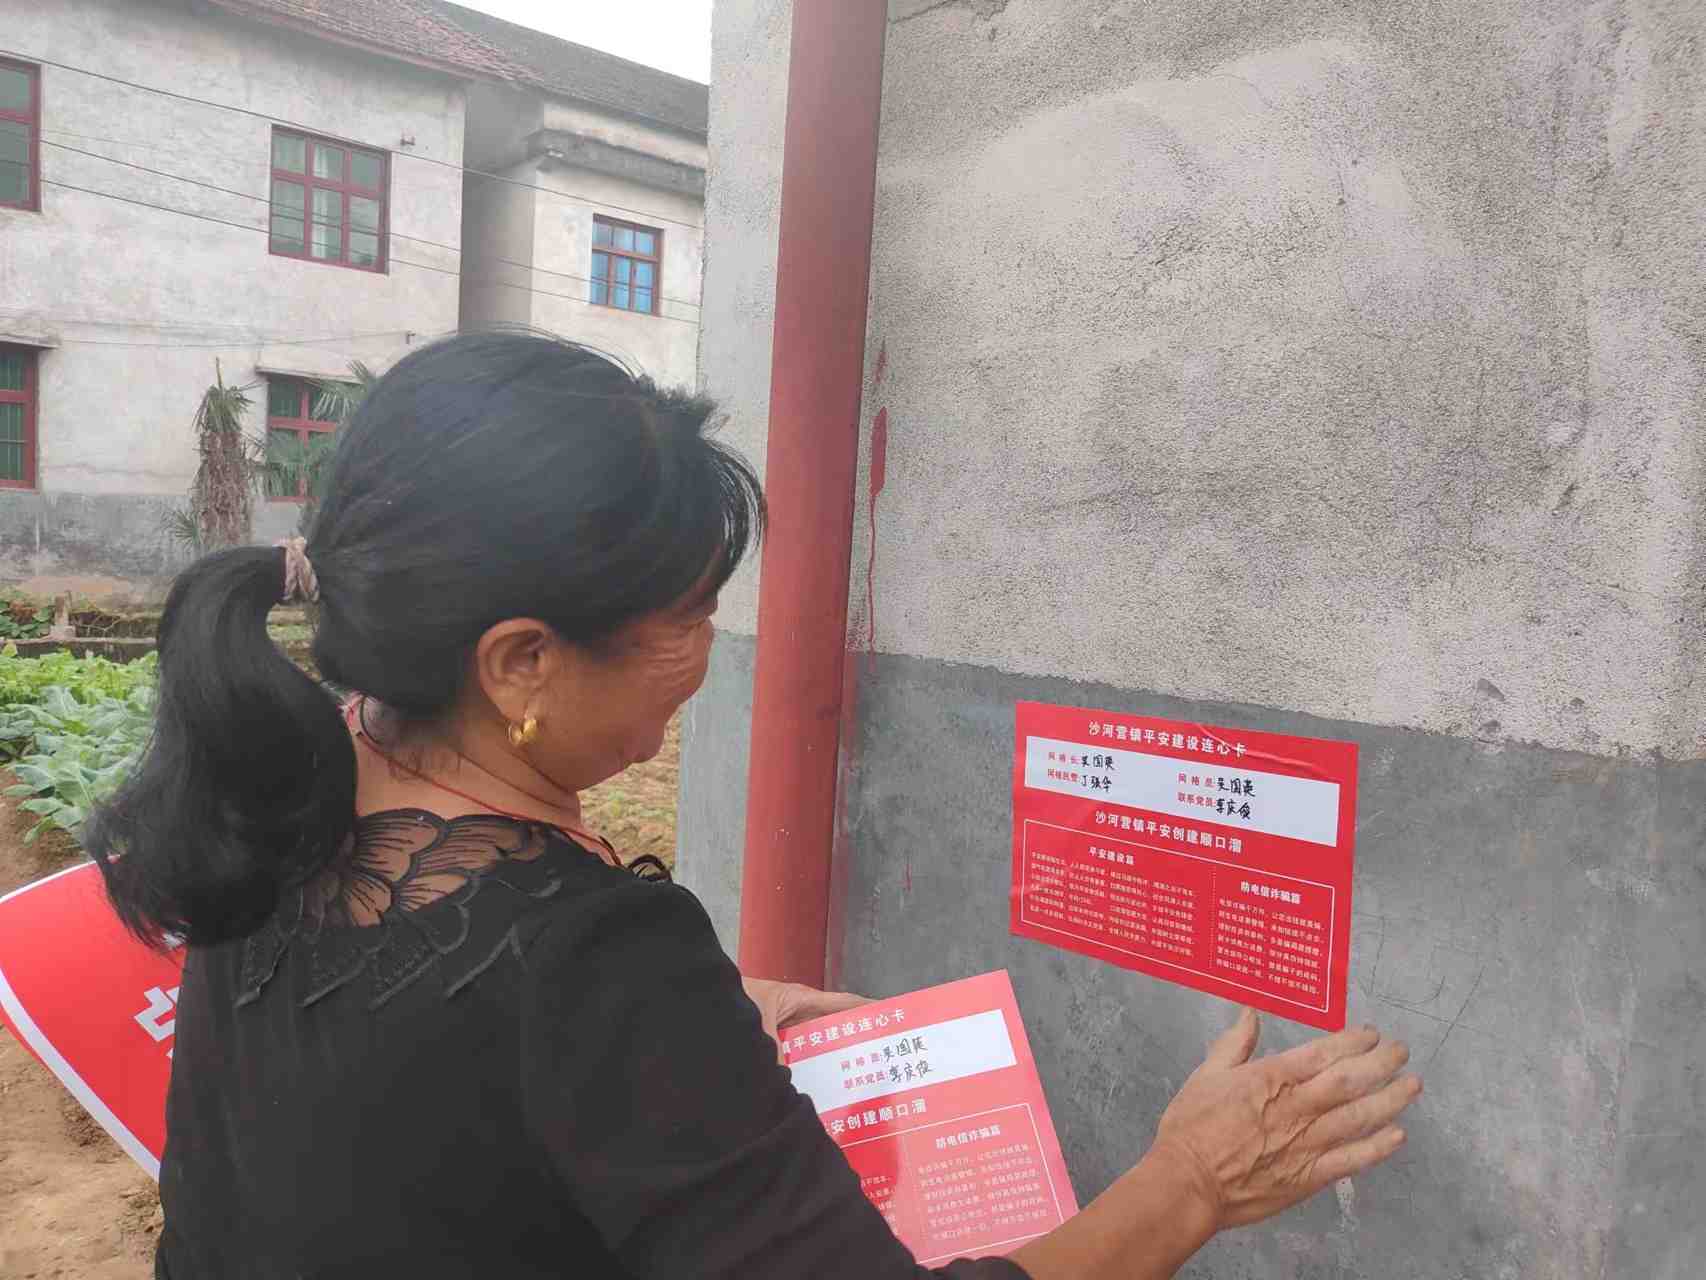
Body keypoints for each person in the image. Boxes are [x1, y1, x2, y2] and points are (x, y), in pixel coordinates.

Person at [89, 332, 1420, 1279]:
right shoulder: (589, 959)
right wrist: (1189, 1184)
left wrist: (691, 1042)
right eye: (686, 617)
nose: (705, 656)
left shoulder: (283, 786)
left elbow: (421, 1115)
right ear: (521, 662)